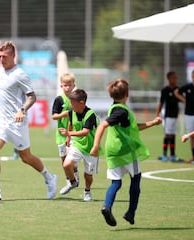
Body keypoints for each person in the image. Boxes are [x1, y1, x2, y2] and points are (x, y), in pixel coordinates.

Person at [0, 41, 57, 200]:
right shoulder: (0, 70)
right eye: (0, 56)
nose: (1, 59)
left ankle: (49, 177)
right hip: (1, 121)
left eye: (5, 56)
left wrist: (22, 110)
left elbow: (32, 97)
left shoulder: (20, 74)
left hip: (17, 122)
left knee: (26, 157)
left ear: (13, 56)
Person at [90, 79, 162, 227]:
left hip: (112, 151)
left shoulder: (115, 108)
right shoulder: (121, 111)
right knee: (136, 178)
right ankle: (130, 213)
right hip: (127, 151)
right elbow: (103, 124)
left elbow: (133, 128)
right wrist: (95, 145)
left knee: (116, 182)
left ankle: (107, 206)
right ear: (127, 94)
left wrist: (152, 123)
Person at [58, 89, 100, 201]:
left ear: (82, 103)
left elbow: (86, 132)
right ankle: (73, 182)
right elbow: (71, 124)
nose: (71, 105)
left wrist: (69, 133)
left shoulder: (90, 114)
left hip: (91, 148)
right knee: (66, 164)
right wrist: (68, 137)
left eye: (73, 102)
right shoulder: (72, 112)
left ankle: (87, 191)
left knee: (88, 175)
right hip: (77, 144)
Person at [51, 73, 80, 193]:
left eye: (70, 85)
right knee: (64, 160)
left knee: (70, 158)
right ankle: (71, 180)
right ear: (61, 86)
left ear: (74, 85)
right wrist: (64, 114)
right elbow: (54, 116)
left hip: (73, 134)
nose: (67, 87)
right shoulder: (59, 99)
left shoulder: (77, 99)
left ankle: (73, 179)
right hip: (61, 134)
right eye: (65, 85)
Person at [155, 71, 181, 162]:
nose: (175, 79)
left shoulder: (178, 89)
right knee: (168, 135)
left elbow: (181, 101)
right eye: (174, 77)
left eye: (176, 77)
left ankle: (173, 155)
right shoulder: (165, 90)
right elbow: (161, 103)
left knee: (173, 135)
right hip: (168, 116)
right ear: (169, 79)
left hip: (175, 116)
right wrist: (157, 114)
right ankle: (165, 154)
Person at [174, 70, 194, 164]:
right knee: (192, 136)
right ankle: (193, 157)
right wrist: (184, 100)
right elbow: (176, 92)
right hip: (189, 114)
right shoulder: (188, 87)